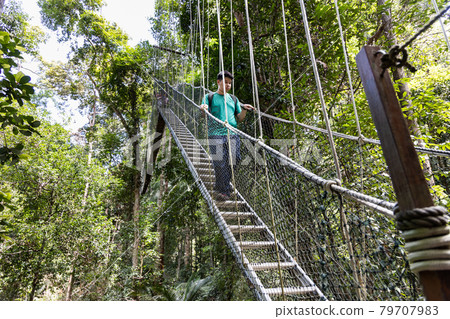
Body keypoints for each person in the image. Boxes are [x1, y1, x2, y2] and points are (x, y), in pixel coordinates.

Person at [200, 71, 254, 201]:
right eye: (225, 82)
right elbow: (203, 114)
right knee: (220, 162)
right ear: (218, 82)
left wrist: (245, 110)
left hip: (233, 134)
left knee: (235, 159)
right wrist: (203, 108)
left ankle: (223, 183)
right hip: (215, 134)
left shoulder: (234, 99)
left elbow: (239, 118)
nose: (228, 85)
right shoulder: (209, 97)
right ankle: (224, 191)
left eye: (230, 83)